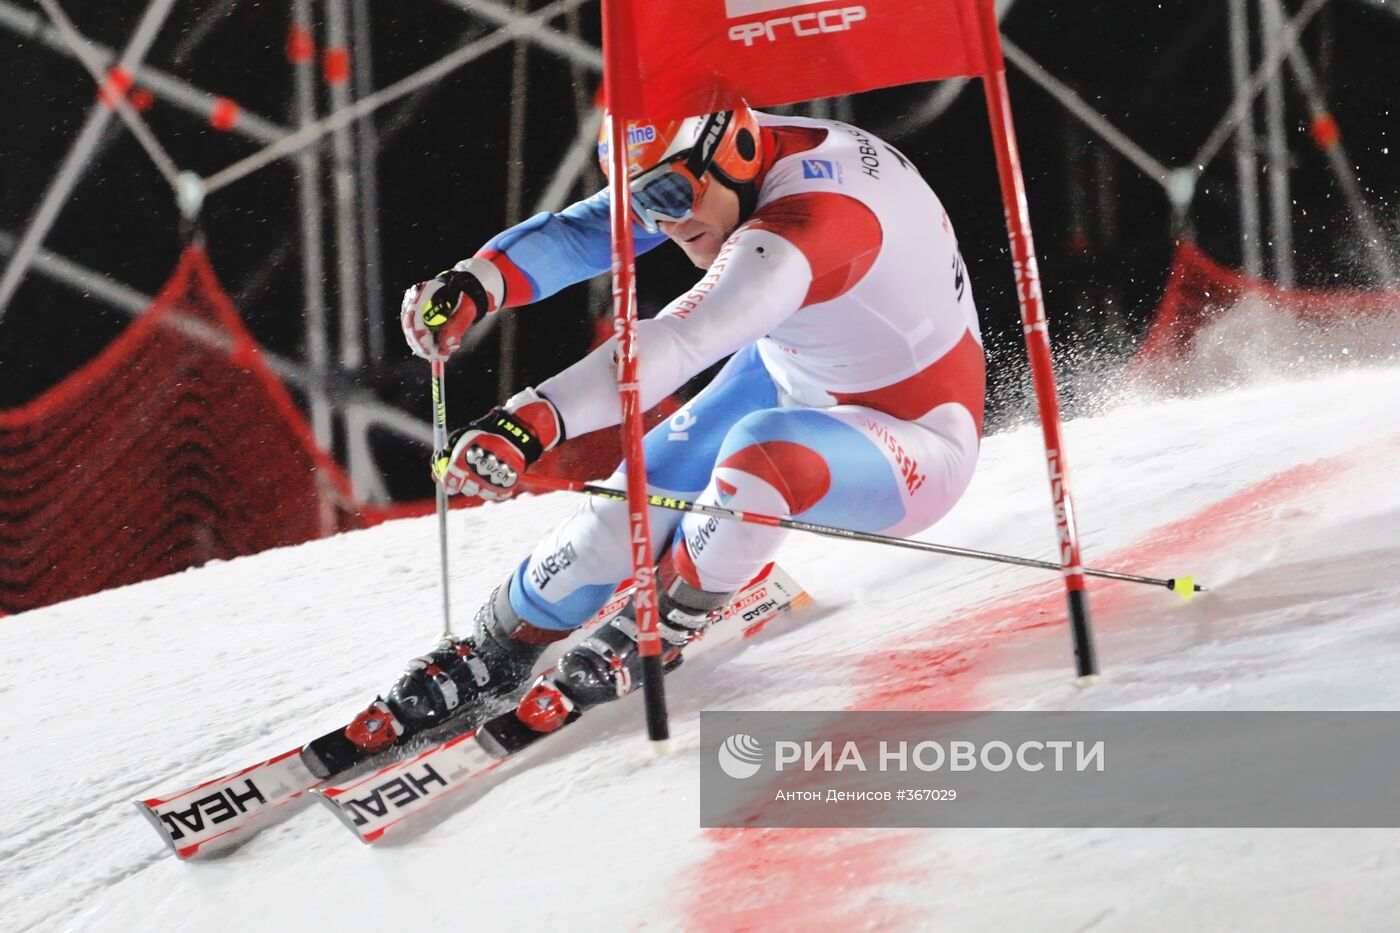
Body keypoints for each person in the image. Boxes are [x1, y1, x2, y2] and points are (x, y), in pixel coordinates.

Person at [346, 105, 986, 754]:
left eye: (669, 197)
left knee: (761, 457)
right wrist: (473, 283)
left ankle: (667, 616)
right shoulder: (708, 170)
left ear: (734, 151)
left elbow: (681, 342)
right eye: (641, 203)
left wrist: (529, 422)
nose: (664, 224)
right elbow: (585, 230)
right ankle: (496, 644)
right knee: (618, 516)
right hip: (791, 371)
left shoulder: (814, 218)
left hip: (915, 438)